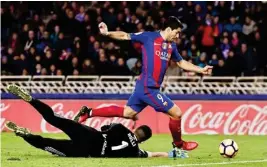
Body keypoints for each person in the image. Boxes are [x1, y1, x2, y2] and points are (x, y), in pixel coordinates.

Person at [74, 16, 213, 151]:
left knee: (128, 112)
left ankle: (89, 112)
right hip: (148, 88)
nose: (177, 36)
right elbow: (125, 36)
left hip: (145, 87)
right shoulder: (149, 37)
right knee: (176, 113)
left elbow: (181, 62)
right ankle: (179, 144)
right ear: (169, 29)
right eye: (177, 33)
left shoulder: (172, 46)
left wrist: (200, 69)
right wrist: (107, 33)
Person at [5, 84, 188, 158]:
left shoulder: (122, 128)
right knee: (48, 145)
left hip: (90, 135)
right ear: (144, 139)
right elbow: (154, 154)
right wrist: (171, 154)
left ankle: (32, 100)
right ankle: (26, 135)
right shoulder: (135, 152)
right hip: (87, 151)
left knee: (54, 118)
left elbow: (104, 127)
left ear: (137, 129)